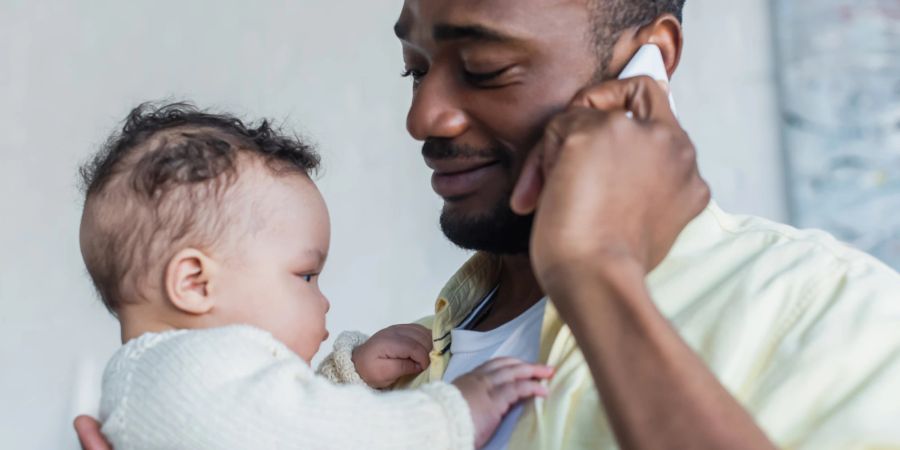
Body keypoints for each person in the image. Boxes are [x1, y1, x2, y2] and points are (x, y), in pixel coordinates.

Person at [79, 0, 900, 449]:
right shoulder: (401, 370)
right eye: (415, 69)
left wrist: (595, 271)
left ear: (646, 64)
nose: (424, 115)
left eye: (485, 68)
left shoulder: (834, 312)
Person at [75, 102, 554, 450]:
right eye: (305, 276)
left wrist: (352, 376)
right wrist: (452, 415)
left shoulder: (173, 383)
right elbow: (322, 436)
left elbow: (289, 423)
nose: (323, 301)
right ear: (195, 284)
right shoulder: (187, 376)